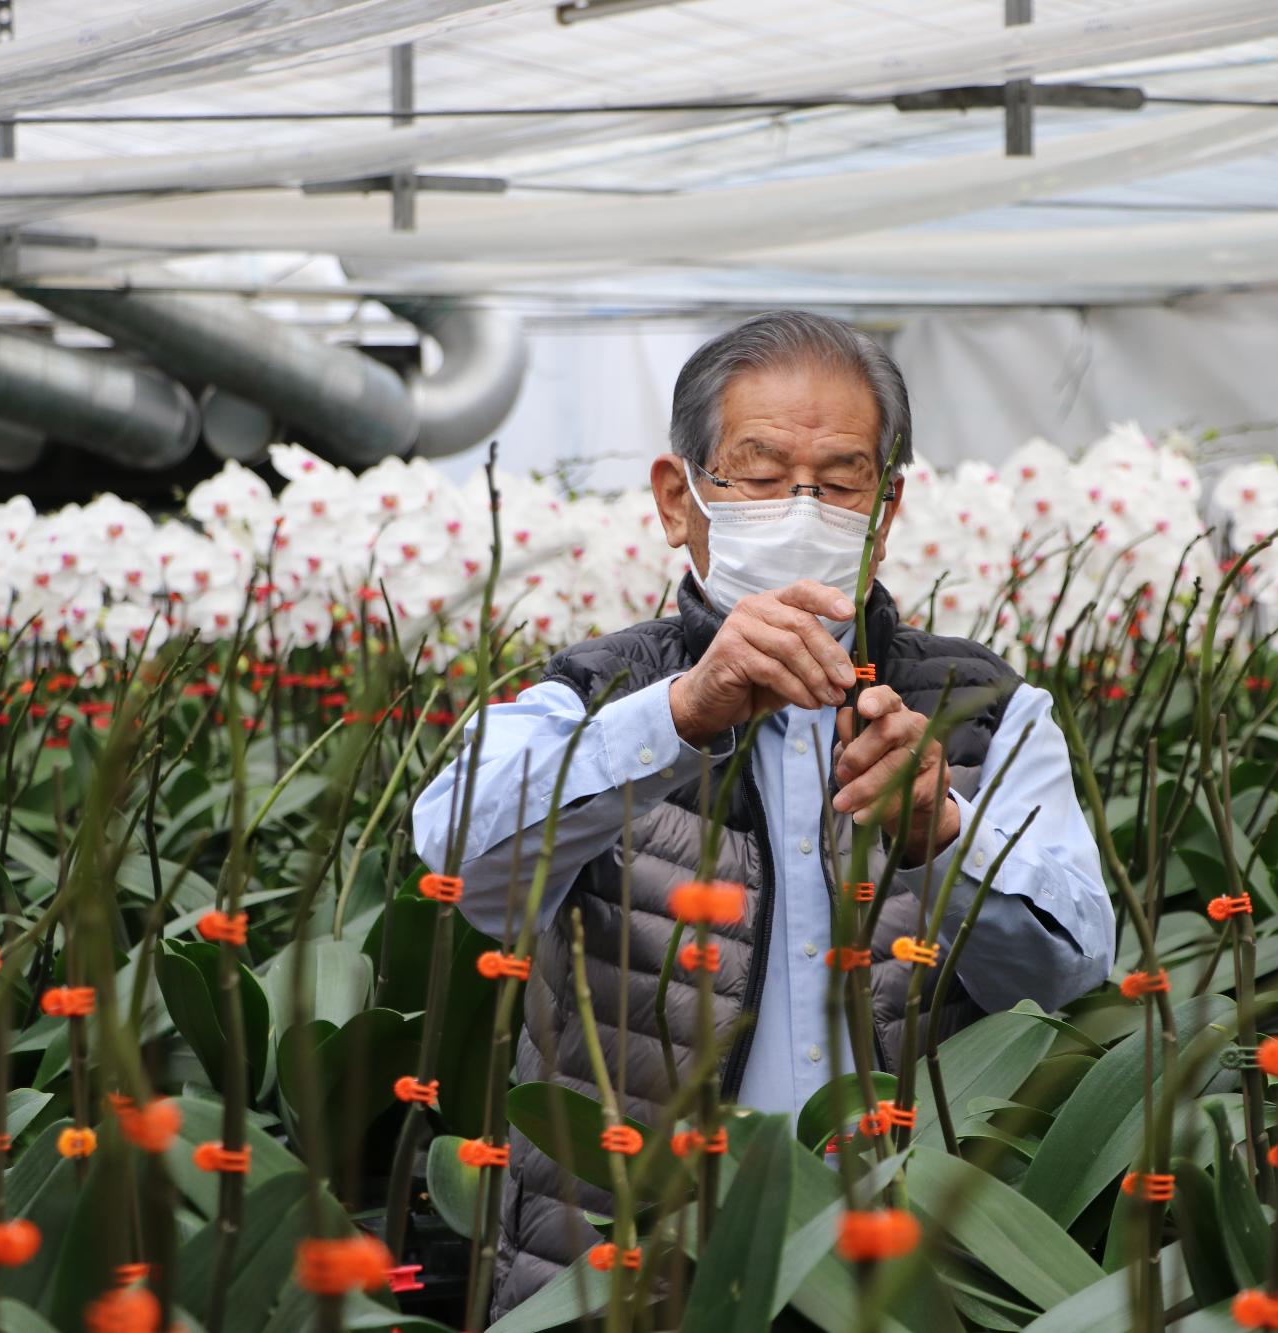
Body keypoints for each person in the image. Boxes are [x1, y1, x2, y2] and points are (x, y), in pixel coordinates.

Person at [411, 309, 1114, 1312]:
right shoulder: (598, 692)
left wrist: (943, 833)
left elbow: (1072, 967)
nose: (802, 509)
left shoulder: (982, 713)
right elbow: (454, 862)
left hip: (895, 1259)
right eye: (759, 473)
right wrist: (675, 718)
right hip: (628, 1255)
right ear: (678, 495)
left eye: (837, 483)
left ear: (887, 503)